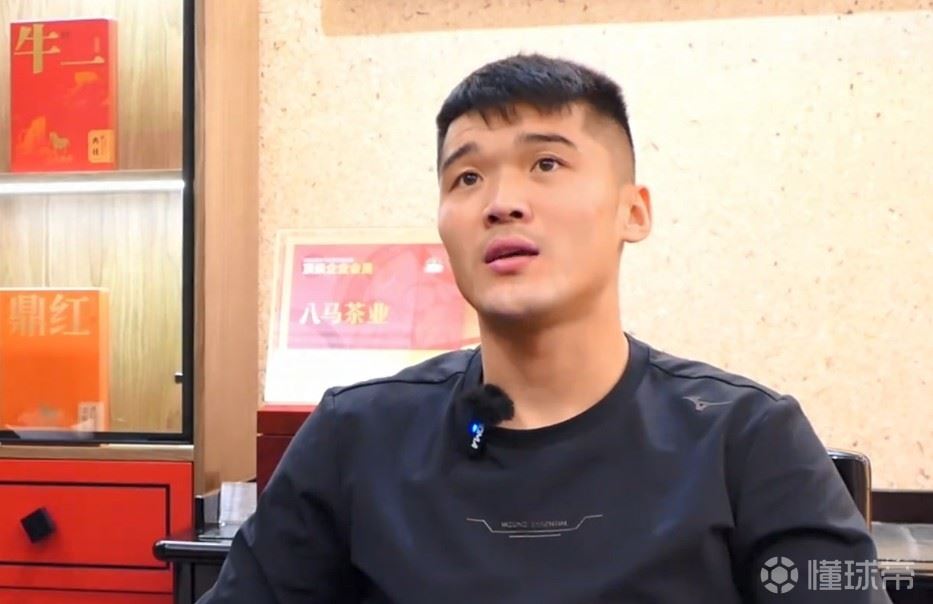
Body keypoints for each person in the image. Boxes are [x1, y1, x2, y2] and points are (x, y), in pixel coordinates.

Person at [198, 54, 891, 603]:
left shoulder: (749, 439)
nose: (501, 202)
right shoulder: (355, 436)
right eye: (467, 178)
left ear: (632, 212)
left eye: (546, 164)